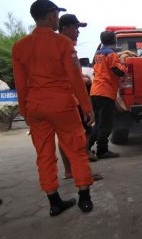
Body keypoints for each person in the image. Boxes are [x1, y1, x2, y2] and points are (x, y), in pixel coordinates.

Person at [12, 0, 95, 216]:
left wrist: (25, 110)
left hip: (36, 107)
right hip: (62, 106)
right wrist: (87, 107)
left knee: (44, 154)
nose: (58, 18)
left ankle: (54, 202)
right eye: (57, 15)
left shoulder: (20, 46)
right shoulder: (63, 44)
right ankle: (84, 197)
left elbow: (20, 84)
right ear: (50, 16)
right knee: (76, 149)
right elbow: (76, 79)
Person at [58, 13, 104, 181]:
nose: (78, 31)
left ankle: (69, 171)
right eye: (75, 27)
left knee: (64, 137)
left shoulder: (53, 45)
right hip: (70, 99)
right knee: (81, 135)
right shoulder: (66, 47)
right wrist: (87, 107)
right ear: (64, 28)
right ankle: (83, 174)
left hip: (57, 100)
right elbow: (75, 80)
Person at [89, 31, 127, 159]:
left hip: (95, 92)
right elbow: (119, 71)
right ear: (114, 41)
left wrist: (119, 55)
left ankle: (86, 147)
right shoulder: (110, 54)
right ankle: (102, 150)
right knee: (106, 125)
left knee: (99, 123)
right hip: (105, 93)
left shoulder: (99, 54)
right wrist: (124, 64)